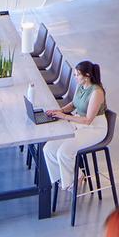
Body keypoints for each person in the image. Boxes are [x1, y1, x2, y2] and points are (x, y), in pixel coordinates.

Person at [42, 59, 107, 207]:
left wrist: (64, 117)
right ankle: (64, 179)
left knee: (64, 152)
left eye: (77, 74)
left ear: (87, 75)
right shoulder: (81, 86)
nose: (75, 77)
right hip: (79, 123)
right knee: (49, 149)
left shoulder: (97, 92)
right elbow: (73, 104)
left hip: (95, 128)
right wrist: (59, 111)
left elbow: (88, 120)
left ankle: (73, 181)